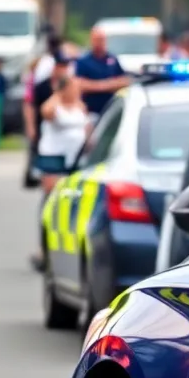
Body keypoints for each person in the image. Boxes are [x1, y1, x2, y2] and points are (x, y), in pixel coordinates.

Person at [27, 52, 73, 270]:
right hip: (51, 154)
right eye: (61, 65)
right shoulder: (46, 89)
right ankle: (43, 248)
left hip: (73, 158)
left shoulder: (75, 95)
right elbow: (40, 109)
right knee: (50, 201)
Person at [74, 25, 131, 121]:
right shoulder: (83, 61)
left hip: (111, 110)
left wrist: (95, 85)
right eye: (97, 39)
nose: (99, 42)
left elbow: (124, 80)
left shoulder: (112, 59)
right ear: (91, 40)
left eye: (101, 39)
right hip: (91, 111)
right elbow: (79, 84)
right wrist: (107, 85)